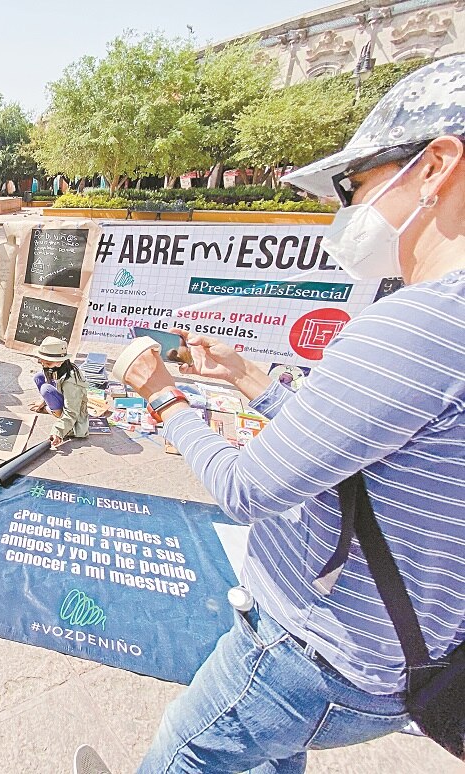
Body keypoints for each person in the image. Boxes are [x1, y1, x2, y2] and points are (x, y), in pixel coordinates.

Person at [108, 58, 465, 773]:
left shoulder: (415, 324)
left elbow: (249, 489)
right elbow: (370, 448)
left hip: (313, 652)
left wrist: (160, 394)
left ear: (436, 167)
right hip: (401, 659)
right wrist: (252, 379)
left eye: (356, 185)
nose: (347, 210)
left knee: (185, 754)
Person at [28, 336, 88, 448]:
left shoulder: (71, 382)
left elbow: (72, 412)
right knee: (38, 377)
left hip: (72, 416)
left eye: (48, 363)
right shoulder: (55, 367)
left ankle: (53, 412)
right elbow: (49, 380)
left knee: (46, 389)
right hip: (62, 395)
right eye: (41, 361)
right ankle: (51, 408)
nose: (44, 365)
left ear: (60, 362)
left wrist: (57, 432)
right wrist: (43, 400)